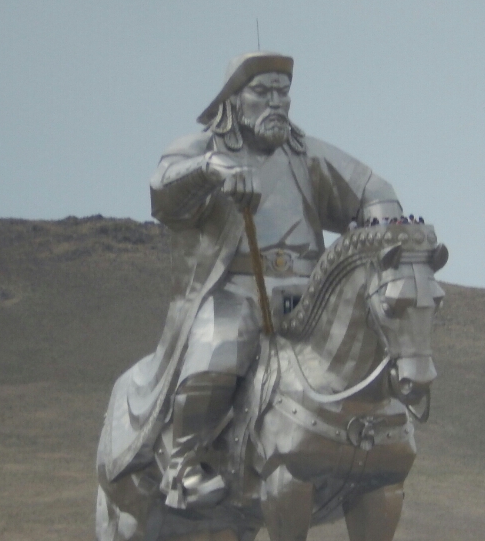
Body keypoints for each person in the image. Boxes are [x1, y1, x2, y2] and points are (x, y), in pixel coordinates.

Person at [96, 51, 403, 515]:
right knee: (220, 345)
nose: (276, 103)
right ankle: (184, 465)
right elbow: (163, 192)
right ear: (234, 100)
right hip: (236, 290)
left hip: (310, 297)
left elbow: (371, 188)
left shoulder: (305, 154)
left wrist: (385, 230)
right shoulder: (200, 149)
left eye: (284, 93)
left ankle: (375, 447)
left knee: (376, 335)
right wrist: (210, 173)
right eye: (263, 92)